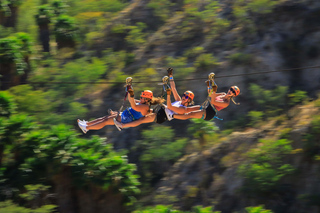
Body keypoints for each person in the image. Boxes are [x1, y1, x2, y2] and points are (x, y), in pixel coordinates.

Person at [113, 68, 201, 130]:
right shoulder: (179, 101)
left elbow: (171, 106)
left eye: (185, 97)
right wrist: (170, 76)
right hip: (160, 111)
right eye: (183, 95)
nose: (183, 97)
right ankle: (128, 100)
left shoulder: (183, 109)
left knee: (141, 120)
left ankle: (122, 125)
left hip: (161, 116)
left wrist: (201, 107)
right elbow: (174, 88)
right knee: (140, 103)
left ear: (189, 100)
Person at [77, 89, 164, 133]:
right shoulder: (144, 105)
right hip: (126, 115)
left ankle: (86, 128)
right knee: (105, 118)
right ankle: (87, 124)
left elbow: (133, 104)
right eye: (141, 97)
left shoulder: (144, 107)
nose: (140, 98)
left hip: (126, 118)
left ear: (146, 100)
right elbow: (133, 101)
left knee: (106, 121)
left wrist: (131, 94)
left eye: (142, 97)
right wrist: (130, 91)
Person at [173, 83, 240, 121]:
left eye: (233, 92)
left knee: (191, 114)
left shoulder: (226, 103)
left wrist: (214, 91)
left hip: (209, 112)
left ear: (234, 95)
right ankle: (174, 111)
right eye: (231, 89)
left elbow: (213, 101)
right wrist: (209, 86)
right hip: (207, 107)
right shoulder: (222, 93)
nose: (231, 91)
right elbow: (211, 95)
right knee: (187, 109)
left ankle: (172, 116)